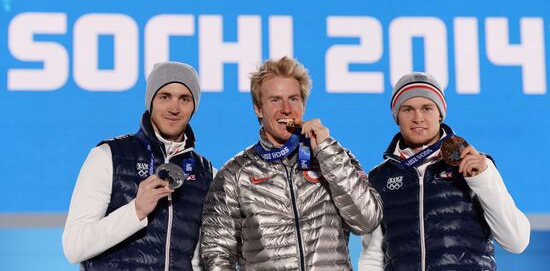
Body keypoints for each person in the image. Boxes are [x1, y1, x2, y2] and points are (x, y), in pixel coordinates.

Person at [200, 56, 383, 271]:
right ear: (258, 109)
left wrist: (327, 153)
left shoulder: (335, 158)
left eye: (293, 99)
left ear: (303, 104)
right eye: (275, 100)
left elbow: (367, 220)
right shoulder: (234, 174)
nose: (286, 109)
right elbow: (216, 253)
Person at [359, 72, 530, 271]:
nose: (418, 118)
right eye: (407, 109)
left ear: (440, 113)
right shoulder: (380, 177)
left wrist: (483, 180)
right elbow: (373, 255)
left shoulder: (477, 166)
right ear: (396, 116)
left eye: (427, 108)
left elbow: (517, 241)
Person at [63, 62, 214, 271]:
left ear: (194, 106)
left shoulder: (206, 173)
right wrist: (136, 211)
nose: (174, 108)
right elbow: (74, 247)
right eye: (165, 96)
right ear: (151, 101)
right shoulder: (108, 156)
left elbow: (201, 259)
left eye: (184, 99)